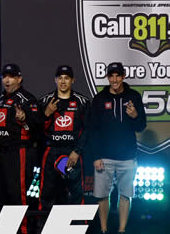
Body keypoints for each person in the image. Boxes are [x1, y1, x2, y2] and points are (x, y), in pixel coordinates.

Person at [87, 62, 146, 234]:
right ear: (107, 77)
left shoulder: (134, 96)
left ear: (123, 76)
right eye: (111, 76)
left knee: (126, 195)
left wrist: (135, 115)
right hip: (104, 157)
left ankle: (122, 230)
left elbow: (141, 126)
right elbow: (93, 130)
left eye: (117, 75)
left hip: (128, 156)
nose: (114, 79)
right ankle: (104, 229)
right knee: (102, 196)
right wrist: (96, 156)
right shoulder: (100, 98)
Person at [0, 63, 41, 234]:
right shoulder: (0, 100)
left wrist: (25, 118)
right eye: (4, 76)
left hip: (20, 152)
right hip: (0, 153)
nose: (7, 80)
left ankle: (25, 231)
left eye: (11, 76)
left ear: (19, 78)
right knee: (1, 195)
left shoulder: (27, 99)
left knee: (18, 195)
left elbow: (37, 125)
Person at [38, 65, 90, 211]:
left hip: (72, 152)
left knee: (76, 194)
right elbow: (36, 130)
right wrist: (46, 114)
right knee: (47, 193)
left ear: (72, 80)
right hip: (51, 152)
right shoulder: (45, 101)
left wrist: (77, 151)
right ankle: (44, 228)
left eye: (66, 78)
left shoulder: (82, 102)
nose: (63, 81)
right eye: (60, 78)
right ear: (55, 80)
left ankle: (78, 227)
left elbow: (87, 130)